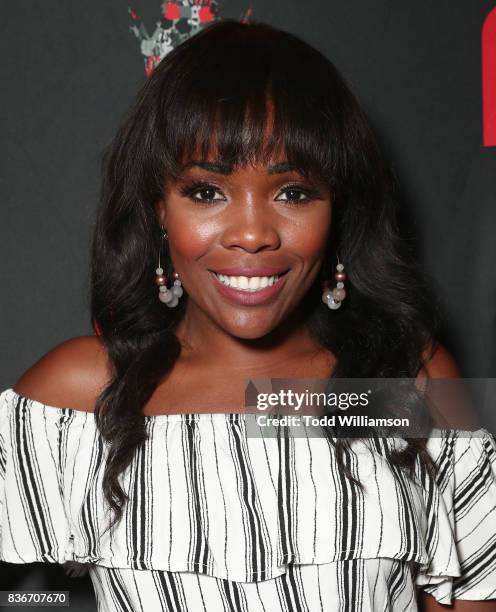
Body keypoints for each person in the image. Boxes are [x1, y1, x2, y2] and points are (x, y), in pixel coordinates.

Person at [1, 19, 495, 612]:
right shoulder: (81, 396)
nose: (254, 234)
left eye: (294, 193)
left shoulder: (402, 385)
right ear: (159, 206)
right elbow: (28, 600)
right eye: (207, 191)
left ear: (338, 210)